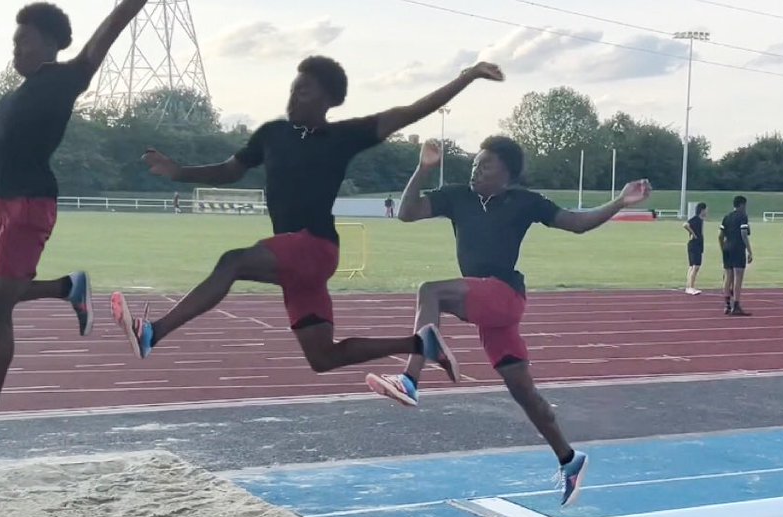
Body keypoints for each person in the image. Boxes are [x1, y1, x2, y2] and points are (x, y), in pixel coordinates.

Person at [110, 59, 511, 378]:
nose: (293, 96)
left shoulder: (344, 137)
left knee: (233, 261)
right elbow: (230, 170)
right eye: (292, 88)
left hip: (314, 247)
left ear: (328, 99)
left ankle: (153, 333)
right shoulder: (271, 134)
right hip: (294, 259)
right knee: (323, 358)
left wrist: (468, 76)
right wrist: (180, 171)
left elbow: (411, 111)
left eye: (304, 89)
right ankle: (420, 344)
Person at [364, 137, 652, 507]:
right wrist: (424, 168)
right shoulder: (457, 196)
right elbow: (407, 212)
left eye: (486, 166)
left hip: (504, 295)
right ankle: (569, 460)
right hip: (487, 310)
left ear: (508, 175)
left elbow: (576, 223)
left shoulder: (525, 202)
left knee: (430, 291)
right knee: (523, 391)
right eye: (474, 163)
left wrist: (620, 202)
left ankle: (410, 378)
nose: (476, 170)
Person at [0, 1, 149, 444]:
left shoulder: (66, 78)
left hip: (30, 206)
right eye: (13, 41)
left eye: (24, 40)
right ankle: (66, 288)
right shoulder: (12, 95)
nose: (15, 49)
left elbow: (108, 29)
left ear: (50, 43)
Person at [719, 195, 753, 316]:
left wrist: (722, 247)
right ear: (742, 205)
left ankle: (727, 305)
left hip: (727, 247)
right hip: (737, 248)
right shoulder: (743, 216)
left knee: (728, 276)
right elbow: (744, 233)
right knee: (738, 278)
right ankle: (736, 305)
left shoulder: (727, 217)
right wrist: (749, 250)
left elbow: (720, 235)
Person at [683, 202, 706, 295]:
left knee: (692, 266)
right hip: (694, 245)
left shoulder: (701, 220)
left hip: (697, 245)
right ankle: (691, 287)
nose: (707, 211)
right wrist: (693, 233)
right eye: (706, 209)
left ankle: (688, 286)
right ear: (702, 210)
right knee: (695, 266)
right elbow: (685, 225)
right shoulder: (696, 219)